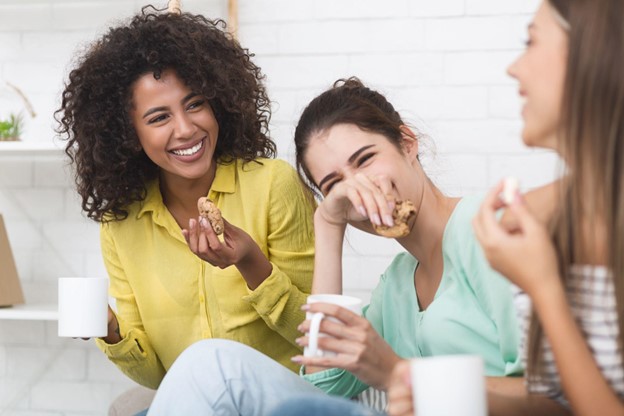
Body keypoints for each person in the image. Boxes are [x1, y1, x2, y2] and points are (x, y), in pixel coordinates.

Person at [146, 77, 524, 415]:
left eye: (365, 160)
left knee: (217, 375)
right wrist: (327, 224)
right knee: (208, 368)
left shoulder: (486, 229)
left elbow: (558, 394)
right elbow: (321, 386)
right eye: (333, 185)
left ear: (408, 144)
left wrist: (398, 373)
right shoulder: (396, 287)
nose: (355, 190)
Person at [55, 6, 315, 389]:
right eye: (159, 118)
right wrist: (109, 329)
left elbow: (314, 337)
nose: (186, 128)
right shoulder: (121, 225)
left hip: (283, 400)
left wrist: (250, 263)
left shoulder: (273, 185)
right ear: (127, 135)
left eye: (195, 104)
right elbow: (157, 376)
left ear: (218, 103)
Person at [386, 0, 624, 415]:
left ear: (595, 53)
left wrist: (543, 287)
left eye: (531, 42)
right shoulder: (535, 220)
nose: (514, 68)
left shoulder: (531, 251)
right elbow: (556, 403)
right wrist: (447, 396)